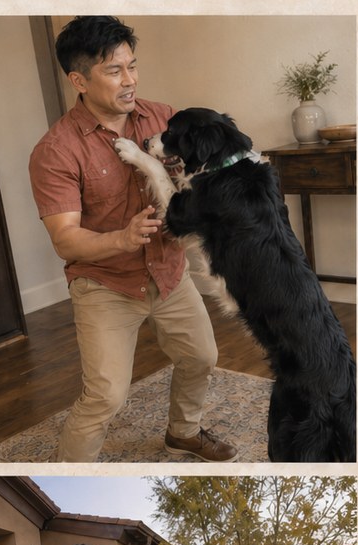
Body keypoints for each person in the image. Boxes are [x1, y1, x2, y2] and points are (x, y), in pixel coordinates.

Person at [29, 16, 236, 463]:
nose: (130, 81)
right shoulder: (55, 151)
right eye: (115, 71)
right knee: (105, 396)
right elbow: (65, 241)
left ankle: (183, 433)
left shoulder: (163, 117)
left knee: (202, 357)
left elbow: (202, 172)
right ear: (78, 80)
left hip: (169, 269)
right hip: (106, 284)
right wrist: (122, 239)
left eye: (132, 66)